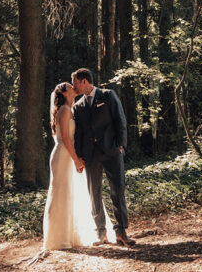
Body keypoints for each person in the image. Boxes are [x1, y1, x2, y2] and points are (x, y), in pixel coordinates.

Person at [71, 68, 135, 247]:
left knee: (117, 190)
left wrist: (121, 145)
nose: (74, 87)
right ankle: (101, 233)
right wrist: (80, 156)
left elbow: (120, 120)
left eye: (75, 82)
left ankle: (121, 231)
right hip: (90, 156)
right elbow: (79, 134)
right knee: (94, 194)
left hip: (112, 151)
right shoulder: (78, 106)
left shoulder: (108, 96)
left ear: (84, 81)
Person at [42, 82, 101, 250]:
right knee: (61, 193)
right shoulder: (64, 111)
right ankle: (58, 238)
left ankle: (70, 235)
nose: (73, 86)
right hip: (63, 155)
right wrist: (76, 159)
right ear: (64, 92)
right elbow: (66, 139)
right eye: (69, 86)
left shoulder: (69, 109)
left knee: (70, 192)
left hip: (68, 154)